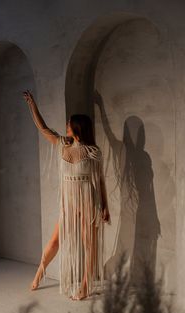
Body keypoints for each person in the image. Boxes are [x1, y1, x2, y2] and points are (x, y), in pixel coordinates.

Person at [23, 89, 111, 300]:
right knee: (54, 241)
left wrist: (105, 206)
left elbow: (99, 181)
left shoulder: (92, 152)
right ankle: (39, 274)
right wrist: (32, 104)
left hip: (89, 202)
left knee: (89, 246)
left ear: (76, 127)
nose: (65, 126)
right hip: (68, 204)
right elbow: (43, 128)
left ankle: (85, 287)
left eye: (68, 124)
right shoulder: (63, 144)